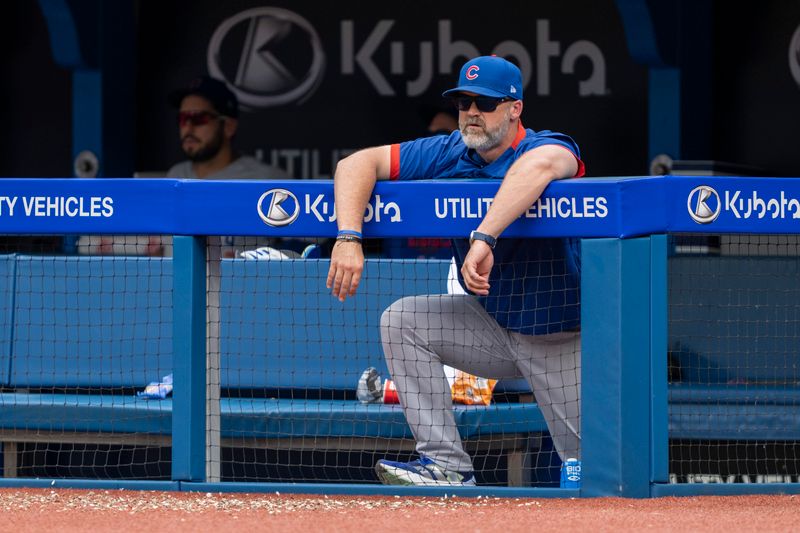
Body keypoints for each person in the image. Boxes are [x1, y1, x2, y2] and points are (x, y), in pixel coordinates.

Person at [325, 56, 585, 486]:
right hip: (495, 327)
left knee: (590, 471)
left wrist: (484, 236)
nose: (472, 113)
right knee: (403, 320)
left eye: (485, 103)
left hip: (557, 337)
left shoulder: (549, 145)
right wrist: (348, 237)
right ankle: (446, 466)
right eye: (464, 103)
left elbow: (537, 169)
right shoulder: (450, 150)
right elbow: (355, 164)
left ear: (515, 108)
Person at [166, 75, 289, 180]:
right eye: (182, 118)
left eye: (198, 118)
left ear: (229, 126)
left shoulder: (266, 180)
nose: (188, 127)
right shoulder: (176, 176)